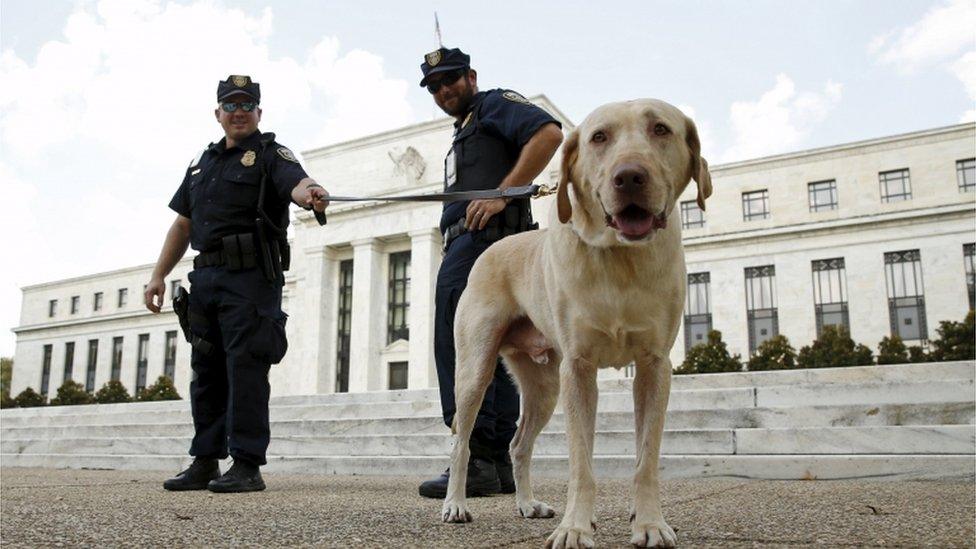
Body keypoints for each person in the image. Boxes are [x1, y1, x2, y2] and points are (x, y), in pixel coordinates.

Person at [145, 75, 329, 493]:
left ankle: (246, 463)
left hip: (250, 280)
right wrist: (158, 274)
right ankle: (205, 460)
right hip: (206, 278)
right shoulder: (202, 164)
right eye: (230, 105)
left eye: (247, 105)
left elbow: (297, 183)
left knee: (246, 369)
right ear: (218, 114)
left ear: (259, 112)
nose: (239, 111)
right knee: (205, 371)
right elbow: (182, 222)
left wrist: (311, 192)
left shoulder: (270, 154)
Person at [417, 47, 564, 498]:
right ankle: (494, 460)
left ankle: (477, 456)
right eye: (436, 86)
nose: (445, 90)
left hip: (486, 244)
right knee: (495, 354)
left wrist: (504, 192)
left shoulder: (493, 104)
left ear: (471, 77)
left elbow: (549, 133)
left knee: (459, 344)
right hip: (477, 244)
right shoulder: (466, 128)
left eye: (452, 79)